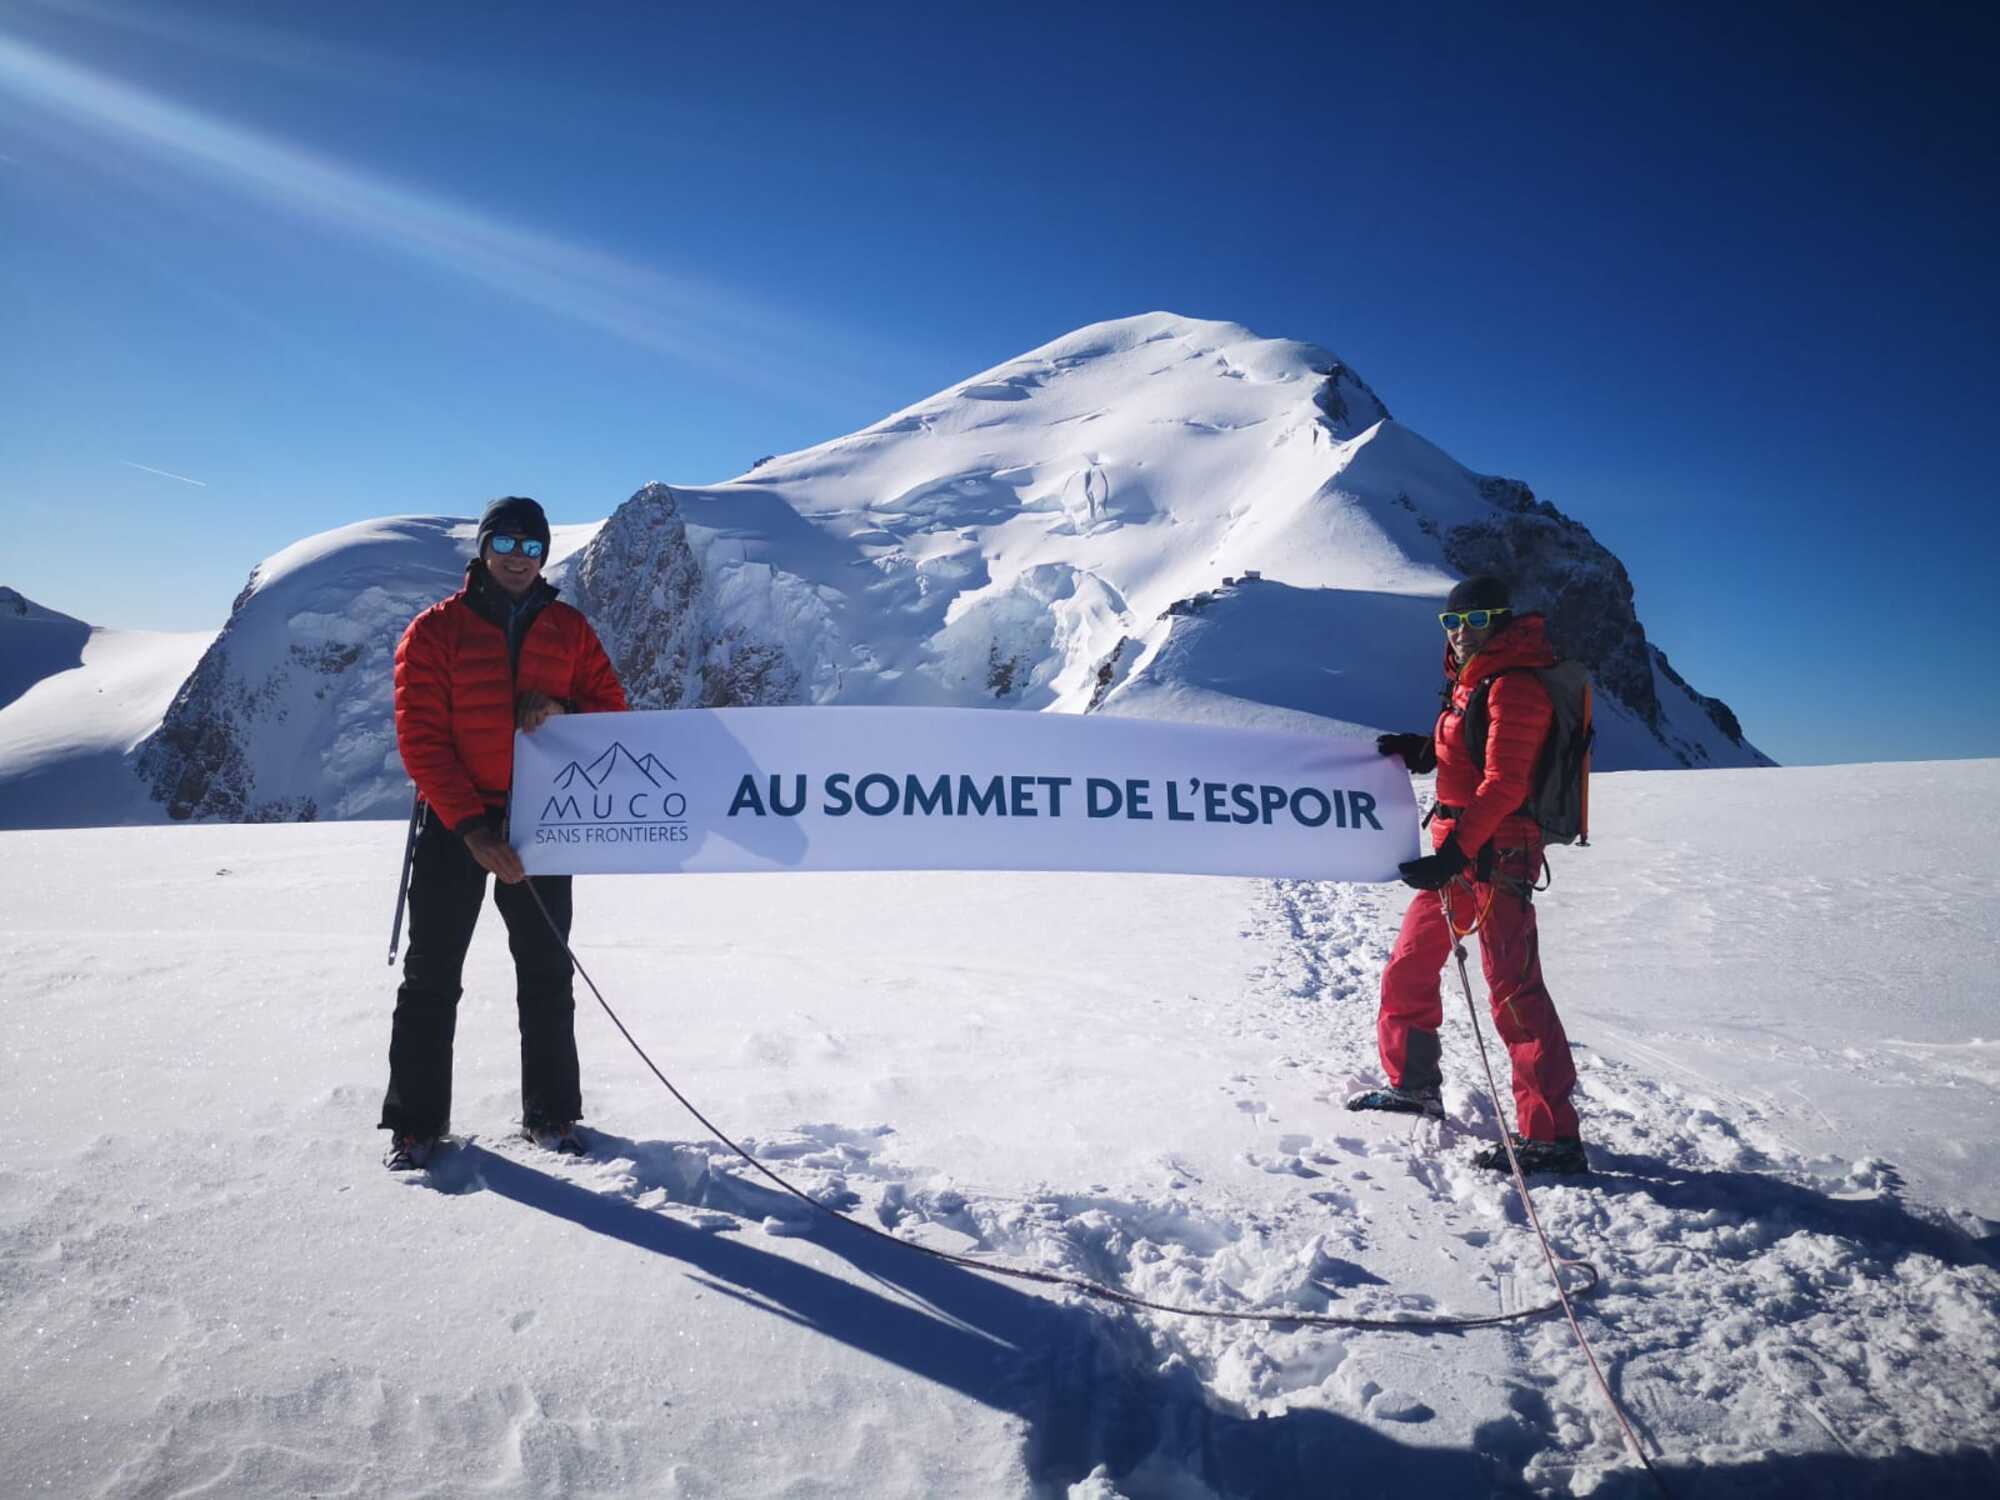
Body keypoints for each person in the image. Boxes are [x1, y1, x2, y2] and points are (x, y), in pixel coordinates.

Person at [380, 496, 628, 1171]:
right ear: (484, 550)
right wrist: (472, 829)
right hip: (455, 823)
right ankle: (414, 1124)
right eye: (506, 545)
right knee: (431, 975)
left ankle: (552, 1115)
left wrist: (564, 709)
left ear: (544, 556)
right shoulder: (435, 631)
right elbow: (421, 740)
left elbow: (611, 713)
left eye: (531, 548)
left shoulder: (569, 630)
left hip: (545, 821)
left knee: (546, 972)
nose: (519, 559)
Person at [1348, 575, 1585, 1174]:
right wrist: (1426, 751)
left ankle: (1552, 1136)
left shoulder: (1515, 685)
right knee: (1410, 963)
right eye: (1452, 622)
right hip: (1460, 852)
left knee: (1513, 990)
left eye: (1476, 620)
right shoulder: (1473, 683)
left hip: (1497, 857)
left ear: (1502, 622)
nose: (1460, 632)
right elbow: (1470, 752)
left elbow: (1505, 783)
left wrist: (1456, 854)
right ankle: (1415, 1085)